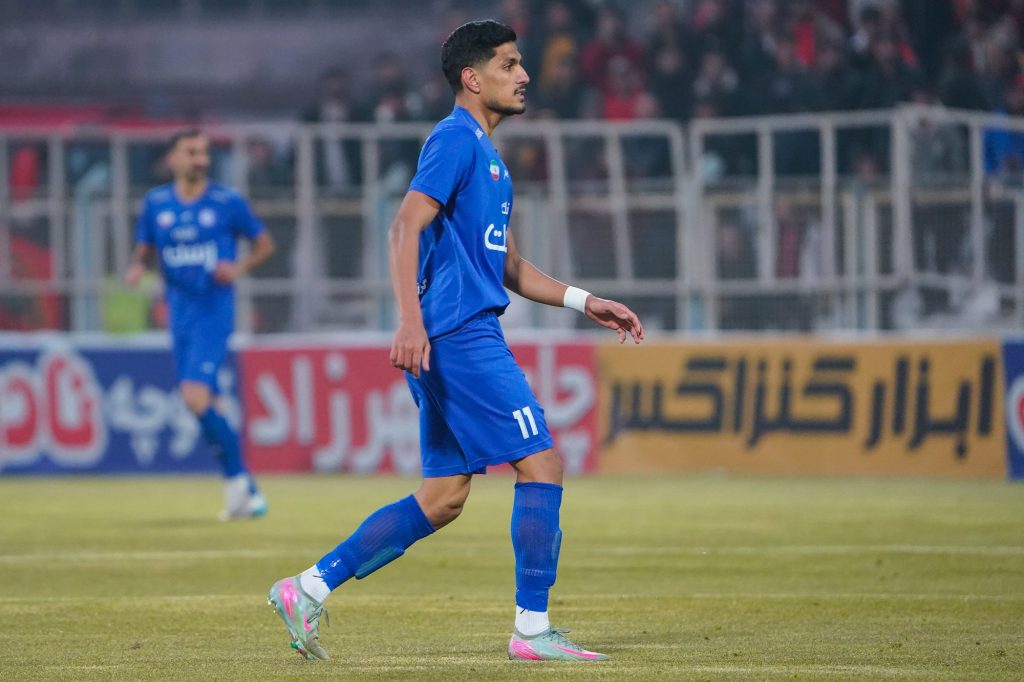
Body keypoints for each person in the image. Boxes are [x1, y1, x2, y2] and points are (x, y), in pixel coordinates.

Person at [267, 20, 644, 663]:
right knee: (543, 465)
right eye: (509, 64)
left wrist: (587, 302)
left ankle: (307, 588)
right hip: (459, 334)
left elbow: (509, 267)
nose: (524, 76)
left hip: (448, 336)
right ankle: (532, 631)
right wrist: (410, 320)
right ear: (472, 78)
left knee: (443, 498)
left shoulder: (489, 161)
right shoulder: (454, 140)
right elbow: (403, 227)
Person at [125, 129, 275, 520]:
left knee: (193, 396)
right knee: (208, 403)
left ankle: (238, 485)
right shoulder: (156, 203)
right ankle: (249, 493)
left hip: (213, 313)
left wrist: (238, 268)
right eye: (191, 152)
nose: (200, 160)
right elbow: (145, 247)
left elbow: (264, 244)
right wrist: (137, 266)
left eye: (204, 153)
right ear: (172, 159)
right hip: (179, 315)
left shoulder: (227, 201)